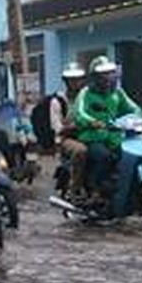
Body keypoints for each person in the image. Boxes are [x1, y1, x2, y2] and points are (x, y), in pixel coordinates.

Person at [70, 55, 142, 213]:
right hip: (93, 137)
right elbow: (79, 113)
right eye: (103, 74)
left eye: (110, 73)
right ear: (95, 77)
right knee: (104, 157)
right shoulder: (85, 93)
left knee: (128, 158)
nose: (107, 78)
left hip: (115, 138)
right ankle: (95, 190)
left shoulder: (118, 93)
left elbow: (134, 109)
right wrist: (92, 122)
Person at [52, 62, 90, 196]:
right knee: (81, 151)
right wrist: (77, 125)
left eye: (79, 79)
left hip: (90, 135)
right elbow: (58, 128)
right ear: (66, 81)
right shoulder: (58, 101)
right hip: (67, 140)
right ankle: (74, 189)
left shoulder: (88, 97)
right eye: (72, 80)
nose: (76, 83)